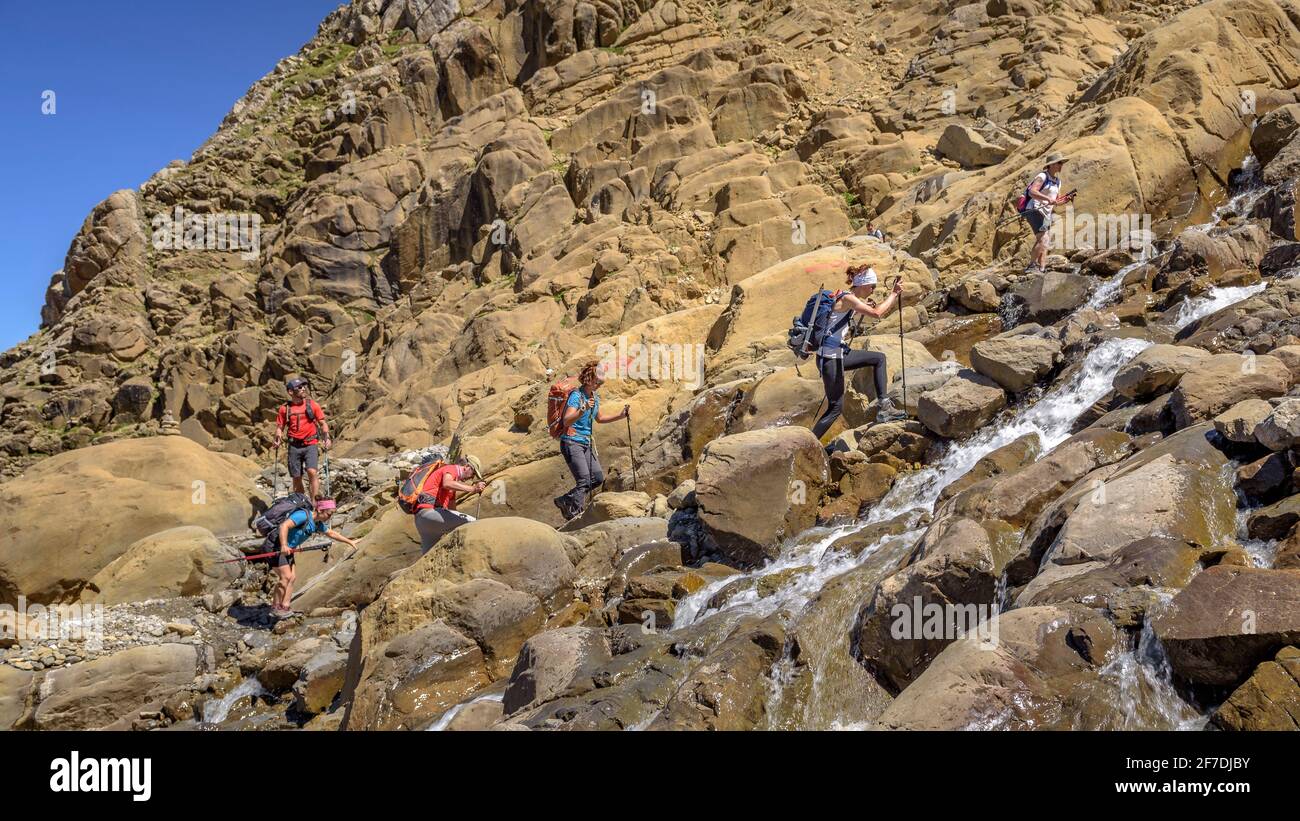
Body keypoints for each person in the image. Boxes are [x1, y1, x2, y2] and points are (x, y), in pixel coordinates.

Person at [810, 265, 907, 441]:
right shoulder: (848, 298)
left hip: (836, 356)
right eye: (872, 286)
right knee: (835, 408)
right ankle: (810, 441)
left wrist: (861, 306)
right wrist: (893, 294)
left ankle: (884, 407)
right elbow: (877, 314)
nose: (873, 290)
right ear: (863, 284)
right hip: (831, 360)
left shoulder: (847, 297)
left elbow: (841, 315)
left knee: (879, 359)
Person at [553, 362, 628, 520]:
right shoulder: (576, 396)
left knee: (597, 478)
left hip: (585, 443)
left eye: (601, 382)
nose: (599, 384)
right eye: (597, 382)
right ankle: (575, 514)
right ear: (588, 379)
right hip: (571, 442)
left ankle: (566, 500)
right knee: (584, 480)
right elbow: (567, 420)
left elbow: (599, 418)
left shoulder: (594, 397)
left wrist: (620, 415)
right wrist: (584, 408)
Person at [269, 498, 356, 618]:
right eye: (329, 513)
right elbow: (284, 526)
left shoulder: (317, 524)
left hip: (289, 549)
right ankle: (275, 607)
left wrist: (350, 541)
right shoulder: (303, 515)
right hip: (276, 546)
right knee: (285, 577)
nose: (329, 517)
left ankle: (285, 606)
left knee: (292, 577)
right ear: (320, 510)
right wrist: (284, 544)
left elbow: (331, 533)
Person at [273, 377, 332, 500]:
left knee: (312, 472)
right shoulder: (285, 409)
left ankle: (315, 504)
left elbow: (322, 423)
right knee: (296, 476)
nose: (303, 388)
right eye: (299, 387)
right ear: (290, 392)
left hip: (311, 443)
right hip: (294, 445)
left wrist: (326, 436)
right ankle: (302, 503)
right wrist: (277, 437)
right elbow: (280, 427)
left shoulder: (312, 405)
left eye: (304, 386)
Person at [412, 456, 486, 552]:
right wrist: (473, 489)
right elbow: (447, 483)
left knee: (429, 554)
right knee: (474, 523)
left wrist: (453, 526)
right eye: (473, 473)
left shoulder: (453, 486)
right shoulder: (452, 469)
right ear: (467, 466)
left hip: (422, 520)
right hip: (431, 513)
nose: (472, 477)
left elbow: (453, 511)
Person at [1021, 153, 1074, 273]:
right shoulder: (1042, 176)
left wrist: (1065, 200)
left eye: (1062, 163)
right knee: (1043, 238)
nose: (1062, 165)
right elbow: (1032, 192)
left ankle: (1042, 268)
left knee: (1046, 240)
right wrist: (1047, 199)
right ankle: (1031, 265)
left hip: (1046, 213)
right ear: (1051, 165)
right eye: (1059, 163)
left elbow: (1056, 201)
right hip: (1034, 209)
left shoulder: (1057, 182)